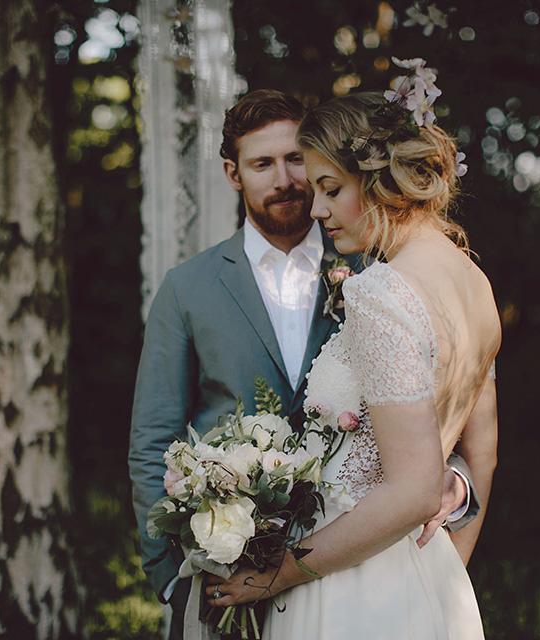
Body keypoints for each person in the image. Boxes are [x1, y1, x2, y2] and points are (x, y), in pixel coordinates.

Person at [129, 89, 481, 640]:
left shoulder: (380, 270)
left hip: (350, 566)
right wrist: (173, 576)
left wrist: (453, 481)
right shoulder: (186, 288)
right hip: (226, 576)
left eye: (298, 160)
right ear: (233, 173)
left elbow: (446, 389)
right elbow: (154, 440)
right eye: (262, 163)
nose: (287, 179)